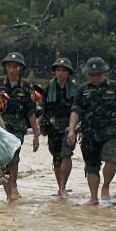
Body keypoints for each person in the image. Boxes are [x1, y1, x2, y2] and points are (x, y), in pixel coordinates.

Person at [66, 57, 116, 206]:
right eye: (91, 74)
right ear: (87, 74)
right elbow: (75, 111)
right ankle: (93, 197)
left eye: (97, 73)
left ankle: (105, 187)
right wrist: (71, 129)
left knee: (111, 158)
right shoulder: (81, 90)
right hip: (89, 133)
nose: (94, 76)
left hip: (111, 131)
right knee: (91, 166)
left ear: (104, 73)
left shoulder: (115, 87)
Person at [0, 51, 40, 202]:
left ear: (20, 68)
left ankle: (13, 186)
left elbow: (31, 111)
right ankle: (8, 190)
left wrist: (36, 136)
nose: (12, 70)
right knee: (2, 159)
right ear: (5, 67)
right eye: (9, 66)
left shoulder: (27, 87)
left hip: (18, 128)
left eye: (16, 67)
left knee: (13, 157)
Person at [40, 57, 77, 197]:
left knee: (66, 154)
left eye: (64, 71)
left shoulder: (74, 88)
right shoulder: (48, 88)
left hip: (69, 125)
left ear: (68, 73)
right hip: (53, 126)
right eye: (58, 70)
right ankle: (60, 187)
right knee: (56, 158)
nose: (61, 73)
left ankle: (63, 187)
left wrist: (75, 127)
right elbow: (43, 107)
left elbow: (78, 108)